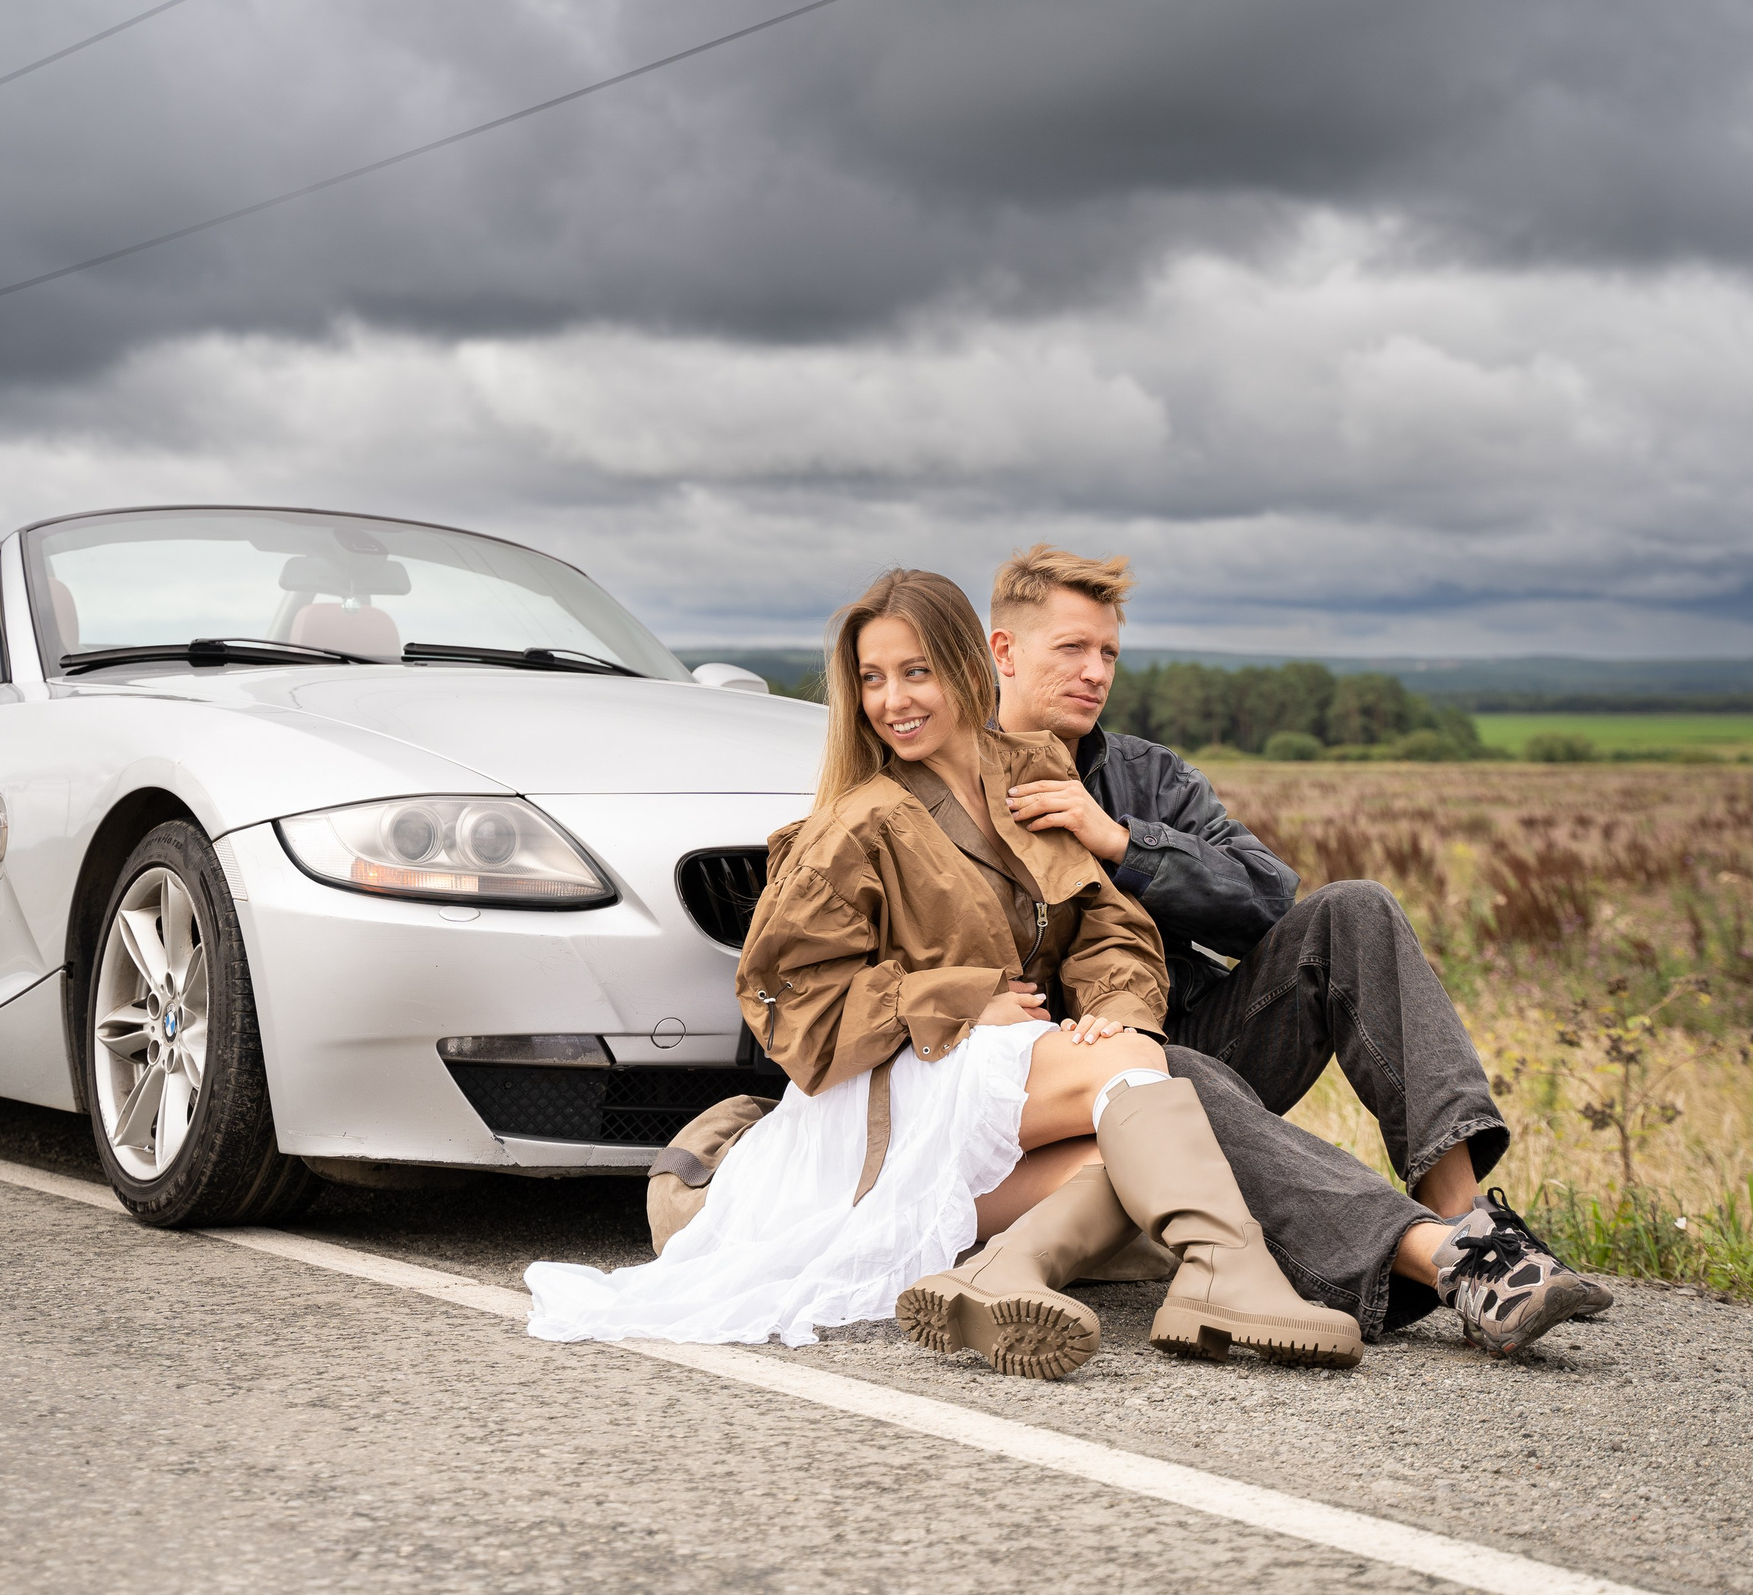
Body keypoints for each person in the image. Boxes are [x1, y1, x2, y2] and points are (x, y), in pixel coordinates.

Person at [526, 569, 1362, 1377]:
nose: (894, 701)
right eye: (874, 679)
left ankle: (996, 1276)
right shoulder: (855, 826)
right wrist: (958, 999)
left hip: (992, 1081)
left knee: (1124, 1133)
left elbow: (1108, 921)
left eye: (916, 671)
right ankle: (1228, 1276)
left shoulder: (1032, 776)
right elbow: (786, 1005)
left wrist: (1119, 1008)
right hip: (898, 1086)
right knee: (1132, 1076)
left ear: (967, 663)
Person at [983, 545, 1612, 1356]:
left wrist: (1122, 841)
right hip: (1074, 1083)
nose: (1095, 671)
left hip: (1193, 1035)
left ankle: (1472, 1227)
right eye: (1071, 648)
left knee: (1355, 909)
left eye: (1108, 652)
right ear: (1005, 649)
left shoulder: (1145, 776)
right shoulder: (958, 782)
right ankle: (1438, 1262)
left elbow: (1267, 901)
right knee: (1163, 1068)